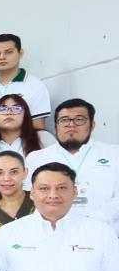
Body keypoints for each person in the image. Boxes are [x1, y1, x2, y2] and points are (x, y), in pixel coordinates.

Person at [25, 99, 119, 232]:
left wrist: (94, 220)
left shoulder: (114, 153)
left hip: (104, 232)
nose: (71, 125)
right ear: (56, 126)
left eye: (79, 119)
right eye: (64, 120)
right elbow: (29, 198)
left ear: (92, 125)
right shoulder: (37, 158)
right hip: (52, 233)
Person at [0, 33, 52, 127]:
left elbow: (38, 128)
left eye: (9, 52)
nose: (2, 57)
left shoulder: (35, 86)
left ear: (20, 53)